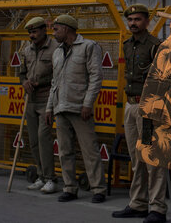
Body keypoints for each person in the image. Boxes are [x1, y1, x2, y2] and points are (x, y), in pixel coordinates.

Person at [112, 4, 167, 223]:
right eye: (130, 20)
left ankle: (157, 208)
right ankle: (138, 204)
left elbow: (164, 78)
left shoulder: (155, 46)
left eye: (137, 19)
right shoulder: (127, 45)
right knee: (136, 158)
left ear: (146, 22)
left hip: (148, 107)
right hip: (131, 106)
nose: (133, 23)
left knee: (152, 157)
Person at [45, 14, 106, 203]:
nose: (53, 32)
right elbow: (54, 82)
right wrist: (49, 107)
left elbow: (96, 77)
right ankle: (70, 188)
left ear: (67, 29)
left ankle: (98, 189)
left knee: (90, 150)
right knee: (64, 151)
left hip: (80, 108)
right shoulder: (57, 52)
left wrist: (88, 103)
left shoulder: (88, 47)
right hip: (60, 107)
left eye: (56, 29)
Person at [19, 17, 57, 194]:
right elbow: (20, 73)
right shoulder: (26, 50)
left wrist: (41, 81)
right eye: (30, 33)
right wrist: (24, 82)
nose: (32, 36)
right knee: (33, 141)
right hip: (31, 100)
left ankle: (50, 178)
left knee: (44, 138)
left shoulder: (56, 48)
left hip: (47, 99)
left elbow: (59, 75)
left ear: (44, 30)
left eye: (34, 32)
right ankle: (41, 176)